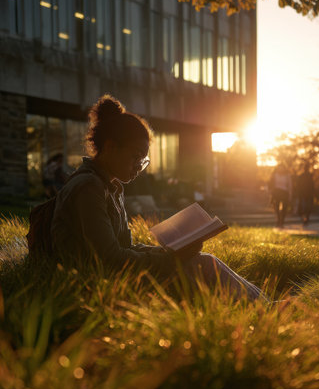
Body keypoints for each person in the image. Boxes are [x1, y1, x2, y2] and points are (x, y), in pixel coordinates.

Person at [51, 95, 266, 302]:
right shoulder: (89, 187)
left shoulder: (110, 187)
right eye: (135, 156)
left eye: (143, 160)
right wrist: (170, 259)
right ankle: (268, 309)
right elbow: (111, 258)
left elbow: (126, 248)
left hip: (112, 276)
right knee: (205, 265)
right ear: (110, 147)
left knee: (203, 261)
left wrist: (171, 252)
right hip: (95, 285)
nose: (138, 167)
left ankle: (265, 305)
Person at [268, 164, 292, 228]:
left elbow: (290, 185)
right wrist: (271, 193)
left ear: (284, 168)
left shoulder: (287, 175)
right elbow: (271, 184)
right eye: (279, 168)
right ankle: (278, 221)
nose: (280, 169)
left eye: (282, 168)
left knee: (284, 208)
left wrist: (290, 194)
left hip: (284, 193)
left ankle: (282, 222)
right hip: (276, 192)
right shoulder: (274, 175)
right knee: (276, 207)